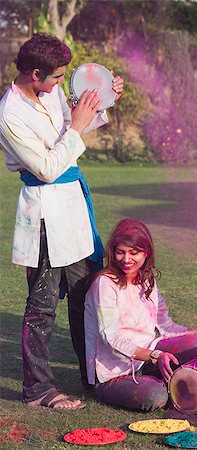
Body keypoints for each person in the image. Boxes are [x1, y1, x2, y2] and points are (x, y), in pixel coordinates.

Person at [0, 33, 123, 409]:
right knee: (42, 306)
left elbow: (78, 126)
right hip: (42, 213)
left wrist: (104, 100)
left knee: (87, 296)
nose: (60, 84)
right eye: (56, 77)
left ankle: (95, 375)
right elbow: (49, 168)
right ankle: (39, 389)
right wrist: (77, 126)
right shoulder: (8, 114)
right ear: (35, 74)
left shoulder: (49, 92)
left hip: (73, 209)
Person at [84, 218, 197, 412]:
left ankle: (167, 381)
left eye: (133, 253)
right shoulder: (104, 283)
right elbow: (110, 338)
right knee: (155, 397)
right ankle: (167, 386)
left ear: (146, 252)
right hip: (112, 373)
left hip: (148, 358)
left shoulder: (146, 280)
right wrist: (154, 356)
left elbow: (166, 326)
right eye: (120, 252)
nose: (126, 259)